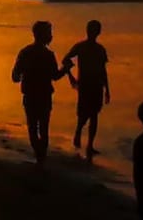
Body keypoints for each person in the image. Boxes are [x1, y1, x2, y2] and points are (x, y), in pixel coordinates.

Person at [11, 21, 73, 164]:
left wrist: (22, 75)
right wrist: (66, 69)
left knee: (33, 128)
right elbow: (55, 76)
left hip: (30, 96)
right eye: (49, 33)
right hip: (44, 96)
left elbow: (14, 76)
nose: (51, 36)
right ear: (43, 35)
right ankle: (41, 157)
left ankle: (39, 156)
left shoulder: (25, 52)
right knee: (43, 128)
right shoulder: (48, 55)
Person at [63, 19, 110, 157]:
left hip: (96, 85)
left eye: (96, 30)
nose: (94, 32)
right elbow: (66, 59)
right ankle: (78, 132)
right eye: (93, 30)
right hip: (84, 85)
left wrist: (107, 89)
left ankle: (90, 145)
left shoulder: (100, 49)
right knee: (84, 114)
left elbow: (103, 70)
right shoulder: (80, 47)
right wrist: (70, 75)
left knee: (94, 115)